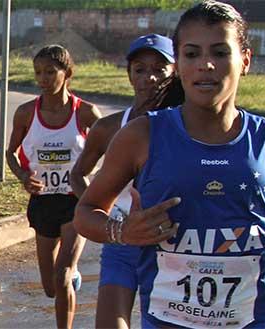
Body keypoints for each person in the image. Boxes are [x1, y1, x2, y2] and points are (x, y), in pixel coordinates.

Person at [74, 1, 265, 328]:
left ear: (245, 61)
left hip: (254, 318)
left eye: (221, 53)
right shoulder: (141, 136)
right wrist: (121, 231)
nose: (206, 65)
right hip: (167, 321)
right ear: (178, 65)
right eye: (192, 54)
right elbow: (86, 212)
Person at [70, 33, 183, 329]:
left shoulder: (189, 129)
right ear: (129, 75)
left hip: (173, 245)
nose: (150, 77)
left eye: (160, 68)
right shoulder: (109, 128)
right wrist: (104, 216)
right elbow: (78, 174)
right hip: (123, 239)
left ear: (176, 72)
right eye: (140, 69)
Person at [6, 44, 101, 329]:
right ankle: (70, 279)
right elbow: (10, 153)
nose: (43, 79)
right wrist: (24, 177)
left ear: (67, 73)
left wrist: (98, 185)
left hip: (75, 202)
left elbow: (117, 147)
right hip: (43, 202)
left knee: (61, 277)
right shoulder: (25, 113)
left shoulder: (85, 113)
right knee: (50, 287)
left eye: (50, 72)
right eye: (38, 73)